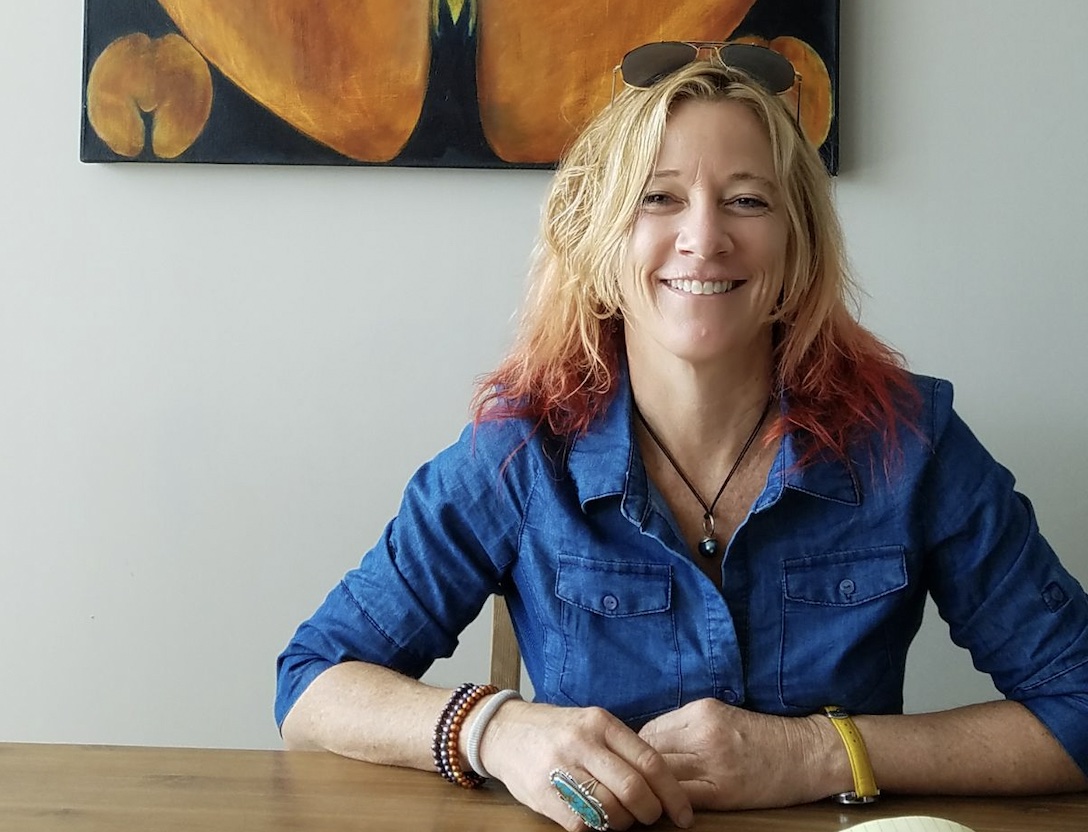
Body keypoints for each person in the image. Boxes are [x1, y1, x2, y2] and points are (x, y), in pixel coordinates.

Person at [275, 42, 1088, 831]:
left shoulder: (911, 442)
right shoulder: (520, 451)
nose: (704, 238)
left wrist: (816, 754)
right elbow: (312, 686)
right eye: (658, 198)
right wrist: (498, 731)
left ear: (799, 242)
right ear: (598, 239)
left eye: (748, 200)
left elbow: (1078, 700)